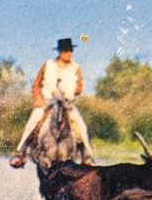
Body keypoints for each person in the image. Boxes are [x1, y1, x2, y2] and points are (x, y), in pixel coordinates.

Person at [10, 37, 94, 167]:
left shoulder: (75, 68)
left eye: (71, 50)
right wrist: (39, 99)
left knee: (81, 127)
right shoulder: (48, 65)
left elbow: (79, 87)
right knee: (31, 123)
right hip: (48, 102)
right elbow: (36, 84)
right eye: (66, 51)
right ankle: (20, 154)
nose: (69, 53)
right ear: (60, 52)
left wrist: (71, 92)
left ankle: (87, 157)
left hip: (67, 103)